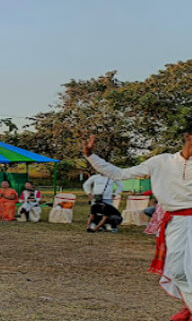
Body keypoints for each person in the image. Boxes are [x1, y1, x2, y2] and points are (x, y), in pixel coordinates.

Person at [83, 127, 192, 321]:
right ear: (188, 137)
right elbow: (119, 174)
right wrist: (91, 156)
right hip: (175, 223)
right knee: (177, 272)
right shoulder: (161, 161)